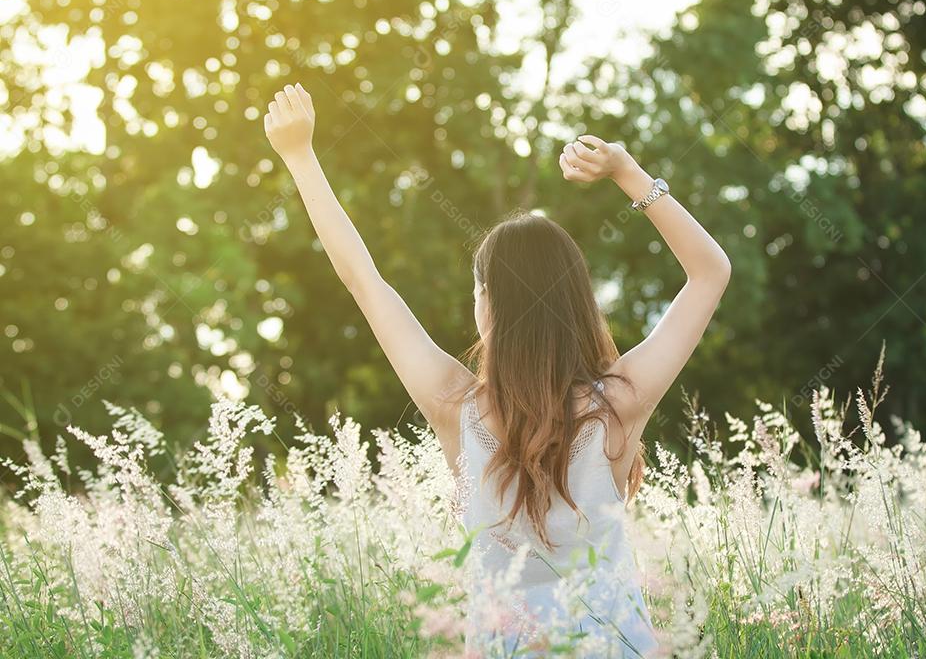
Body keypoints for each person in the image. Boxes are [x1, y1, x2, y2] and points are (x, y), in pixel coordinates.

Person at [264, 83, 731, 657]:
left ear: (488, 301)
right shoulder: (620, 402)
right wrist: (626, 171)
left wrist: (300, 155)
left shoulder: (452, 405)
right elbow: (710, 272)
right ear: (576, 301)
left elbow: (364, 280)